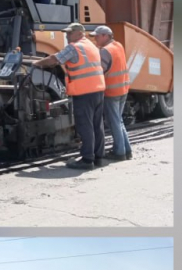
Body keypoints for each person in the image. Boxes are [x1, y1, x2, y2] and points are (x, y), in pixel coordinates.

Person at [32, 22, 106, 170]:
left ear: (79, 33)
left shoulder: (74, 47)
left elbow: (54, 59)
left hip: (84, 92)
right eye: (66, 33)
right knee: (97, 125)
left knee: (85, 126)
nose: (66, 36)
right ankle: (98, 157)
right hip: (98, 90)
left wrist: (37, 63)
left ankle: (87, 160)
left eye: (69, 33)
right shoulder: (92, 46)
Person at [91, 25, 133, 160]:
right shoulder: (118, 45)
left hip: (112, 91)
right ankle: (126, 150)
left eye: (97, 36)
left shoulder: (105, 51)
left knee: (114, 121)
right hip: (123, 89)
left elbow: (99, 70)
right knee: (118, 121)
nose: (95, 39)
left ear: (105, 36)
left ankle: (119, 152)